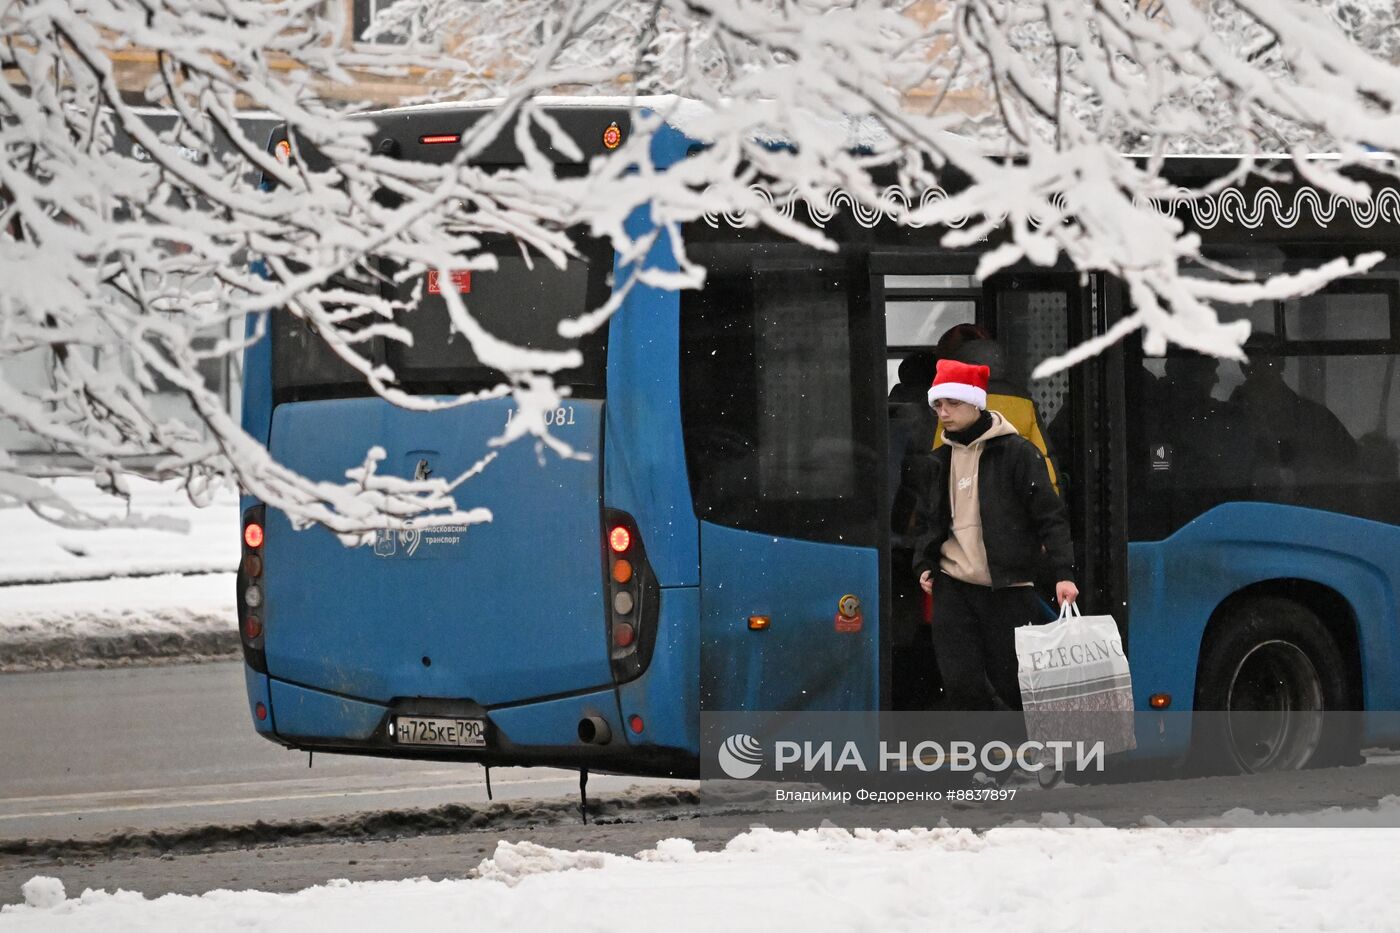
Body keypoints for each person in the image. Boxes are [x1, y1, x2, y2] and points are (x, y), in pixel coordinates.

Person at [913, 358, 1078, 712]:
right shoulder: (939, 459)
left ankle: (1017, 742)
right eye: (938, 405)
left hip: (1008, 587)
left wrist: (1063, 573)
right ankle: (987, 746)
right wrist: (924, 563)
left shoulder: (1018, 454)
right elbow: (928, 521)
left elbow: (1050, 516)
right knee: (961, 683)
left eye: (952, 403)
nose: (943, 412)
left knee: (1013, 685)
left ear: (975, 402)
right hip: (953, 586)